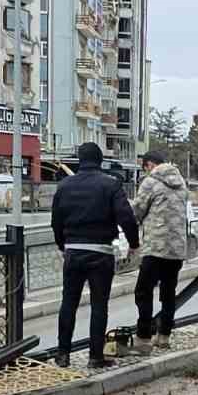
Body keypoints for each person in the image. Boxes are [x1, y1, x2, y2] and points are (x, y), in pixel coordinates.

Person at [51, 142, 138, 368]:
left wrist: (63, 245)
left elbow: (56, 221)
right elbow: (126, 217)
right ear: (100, 161)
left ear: (80, 160)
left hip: (73, 252)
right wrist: (134, 244)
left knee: (68, 302)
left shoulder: (64, 186)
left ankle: (63, 354)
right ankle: (95, 357)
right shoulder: (110, 185)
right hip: (100, 252)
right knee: (99, 305)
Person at [128, 150, 190, 354]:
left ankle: (144, 337)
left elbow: (137, 211)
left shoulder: (150, 182)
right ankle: (164, 335)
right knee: (168, 293)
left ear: (149, 165)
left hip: (156, 247)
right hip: (177, 249)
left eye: (144, 167)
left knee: (143, 291)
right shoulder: (181, 183)